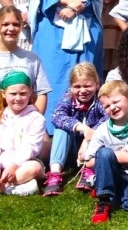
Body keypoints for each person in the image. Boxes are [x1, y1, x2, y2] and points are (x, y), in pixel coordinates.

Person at [86, 80, 128, 223]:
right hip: (110, 173)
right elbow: (89, 161)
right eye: (107, 106)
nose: (113, 107)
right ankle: (104, 200)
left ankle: (108, 191)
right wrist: (105, 156)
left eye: (116, 101)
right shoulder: (102, 129)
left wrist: (107, 156)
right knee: (104, 153)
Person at [45, 62, 106, 197]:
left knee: (102, 132)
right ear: (71, 87)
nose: (82, 90)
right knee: (61, 129)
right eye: (77, 86)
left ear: (96, 84)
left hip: (92, 152)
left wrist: (89, 135)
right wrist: (82, 128)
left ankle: (89, 170)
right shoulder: (68, 99)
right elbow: (57, 116)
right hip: (70, 151)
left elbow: (109, 118)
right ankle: (55, 174)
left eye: (87, 86)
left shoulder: (100, 100)